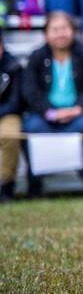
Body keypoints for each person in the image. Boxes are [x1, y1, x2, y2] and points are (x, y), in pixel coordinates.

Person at [21, 11, 83, 195]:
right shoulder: (37, 56)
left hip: (78, 113)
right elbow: (29, 91)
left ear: (73, 31)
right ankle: (35, 182)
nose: (60, 34)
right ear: (46, 34)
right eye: (55, 29)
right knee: (31, 126)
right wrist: (50, 112)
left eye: (64, 29)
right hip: (46, 115)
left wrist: (78, 108)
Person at [0, 31, 22, 202]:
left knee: (9, 135)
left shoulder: (13, 66)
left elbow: (16, 102)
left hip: (7, 113)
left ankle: (6, 184)